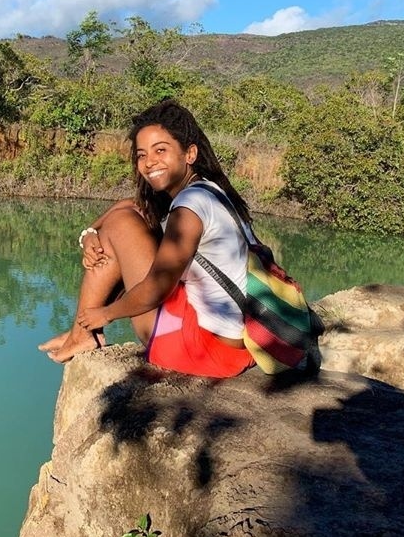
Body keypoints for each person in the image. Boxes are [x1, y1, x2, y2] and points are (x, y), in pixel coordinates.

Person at [38, 100, 256, 377]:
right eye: (142, 155)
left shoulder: (190, 207)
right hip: (228, 344)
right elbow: (132, 205)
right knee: (121, 220)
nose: (149, 162)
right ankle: (79, 335)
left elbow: (156, 288)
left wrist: (104, 314)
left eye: (160, 150)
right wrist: (90, 232)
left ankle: (82, 334)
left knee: (120, 225)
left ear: (190, 154)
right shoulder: (208, 191)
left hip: (204, 351)